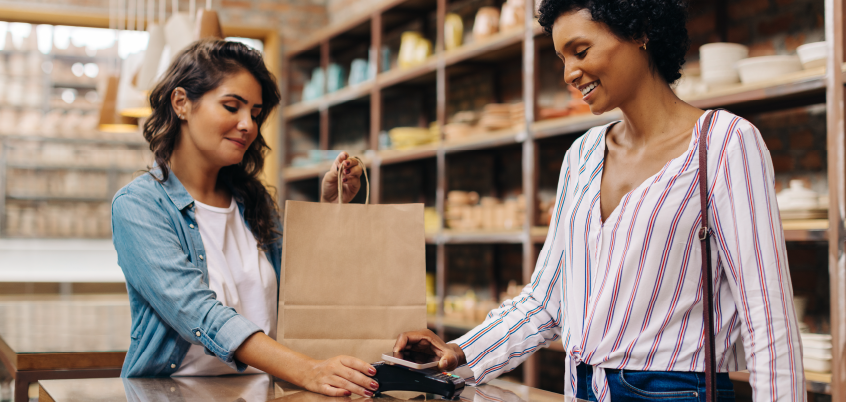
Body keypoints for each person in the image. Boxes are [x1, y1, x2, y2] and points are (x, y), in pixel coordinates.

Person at [393, 0, 804, 400]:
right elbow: (545, 300)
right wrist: (460, 350)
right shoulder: (582, 155)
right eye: (561, 58)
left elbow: (768, 317)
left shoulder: (725, 143)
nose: (569, 73)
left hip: (676, 392)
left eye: (581, 50)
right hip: (583, 386)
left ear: (640, 32)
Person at [112, 39, 379, 398]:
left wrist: (331, 207)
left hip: (266, 392)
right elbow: (199, 312)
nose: (248, 125)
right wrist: (308, 369)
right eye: (231, 106)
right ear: (181, 103)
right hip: (175, 393)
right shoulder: (139, 205)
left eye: (254, 113)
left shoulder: (253, 202)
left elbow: (303, 292)